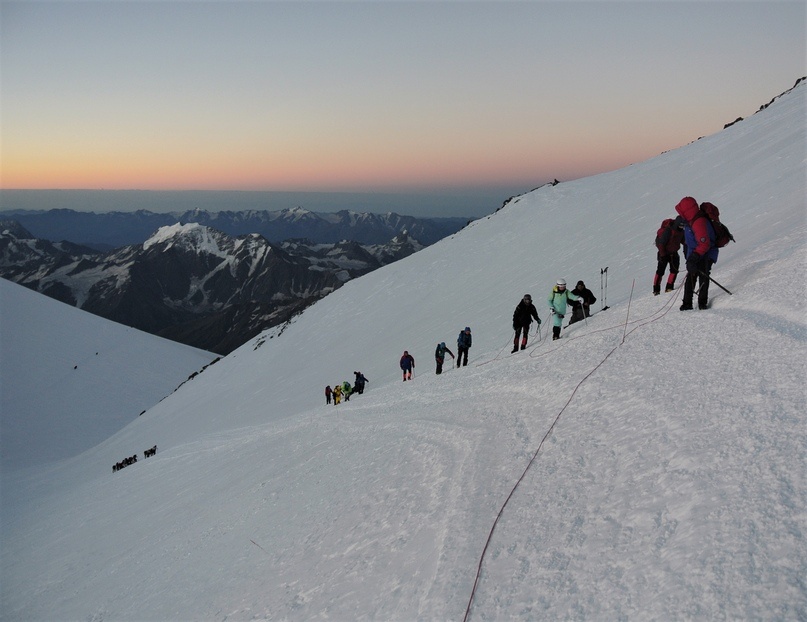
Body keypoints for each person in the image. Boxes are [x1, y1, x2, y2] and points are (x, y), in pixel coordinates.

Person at [675, 197, 719, 310]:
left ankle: (702, 304)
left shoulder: (698, 222)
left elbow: (704, 244)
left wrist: (694, 257)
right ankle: (687, 303)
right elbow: (691, 242)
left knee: (703, 275)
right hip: (697, 254)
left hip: (706, 254)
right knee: (691, 276)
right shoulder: (691, 220)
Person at [653, 216, 685, 295]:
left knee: (674, 270)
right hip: (664, 254)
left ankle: (669, 287)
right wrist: (663, 255)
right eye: (680, 226)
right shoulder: (668, 231)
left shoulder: (680, 231)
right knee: (660, 272)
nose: (681, 227)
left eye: (683, 226)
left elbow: (684, 241)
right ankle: (656, 290)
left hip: (673, 253)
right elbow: (661, 244)